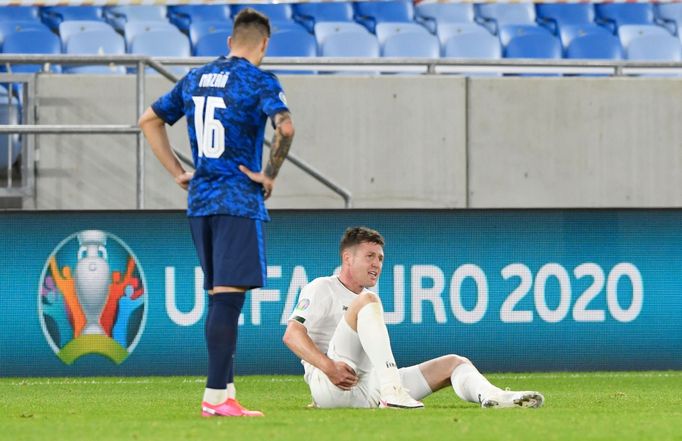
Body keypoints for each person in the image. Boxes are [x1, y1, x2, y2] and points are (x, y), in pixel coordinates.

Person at [139, 8, 294, 418]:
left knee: (218, 298)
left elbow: (149, 119)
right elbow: (286, 127)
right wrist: (269, 174)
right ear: (264, 44)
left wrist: (177, 172)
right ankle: (215, 397)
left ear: (229, 41)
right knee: (227, 302)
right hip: (236, 200)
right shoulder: (259, 80)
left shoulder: (195, 78)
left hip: (200, 200)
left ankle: (224, 391)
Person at [283, 227, 544, 410]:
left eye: (381, 258)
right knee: (369, 300)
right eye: (370, 256)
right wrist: (328, 367)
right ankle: (393, 392)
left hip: (370, 386)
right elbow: (292, 334)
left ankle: (493, 396)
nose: (377, 264)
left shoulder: (365, 297)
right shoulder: (322, 287)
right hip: (334, 383)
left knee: (454, 363)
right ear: (347, 258)